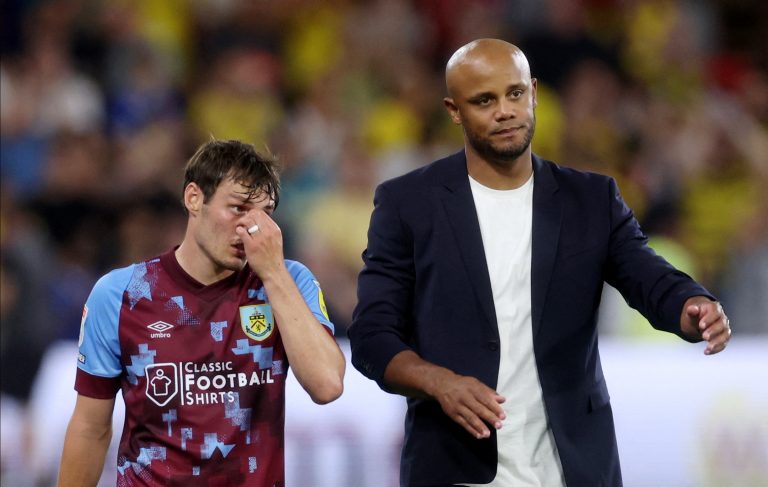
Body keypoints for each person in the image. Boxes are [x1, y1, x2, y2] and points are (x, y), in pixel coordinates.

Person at [348, 39, 731, 487]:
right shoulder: (408, 203)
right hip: (455, 466)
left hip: (575, 470)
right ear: (454, 110)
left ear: (533, 91)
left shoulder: (591, 199)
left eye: (514, 94)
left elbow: (648, 276)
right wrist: (439, 382)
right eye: (484, 100)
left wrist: (691, 303)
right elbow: (373, 335)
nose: (506, 111)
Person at [58, 139, 346, 486]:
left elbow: (327, 385)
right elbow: (90, 427)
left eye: (265, 214)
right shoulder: (120, 294)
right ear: (194, 198)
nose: (252, 228)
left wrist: (272, 273)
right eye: (239, 208)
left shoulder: (288, 282)